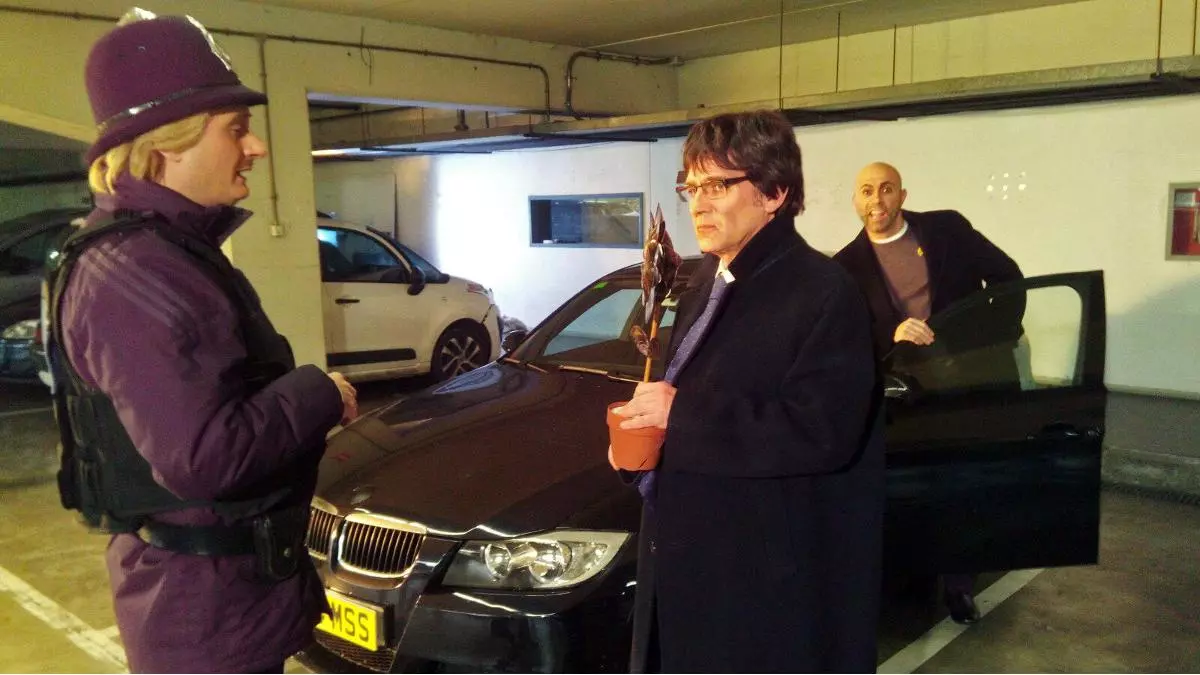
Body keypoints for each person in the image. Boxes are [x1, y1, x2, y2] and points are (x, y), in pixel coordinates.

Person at [46, 10, 357, 673]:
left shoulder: (161, 255)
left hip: (222, 598)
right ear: (168, 145)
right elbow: (206, 456)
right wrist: (319, 393)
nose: (256, 146)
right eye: (236, 129)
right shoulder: (138, 274)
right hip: (203, 618)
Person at [610, 111, 885, 672]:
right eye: (691, 187)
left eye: (717, 185)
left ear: (774, 192)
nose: (698, 204)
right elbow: (688, 404)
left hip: (760, 584)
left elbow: (822, 432)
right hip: (692, 559)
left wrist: (681, 415)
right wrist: (640, 453)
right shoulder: (705, 282)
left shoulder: (823, 292)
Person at [833, 161, 1024, 624]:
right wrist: (892, 335)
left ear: (902, 195)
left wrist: (985, 336)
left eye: (886, 189)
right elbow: (846, 335)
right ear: (855, 200)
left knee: (964, 484)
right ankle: (909, 578)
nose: (876, 200)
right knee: (911, 488)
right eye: (866, 191)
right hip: (902, 395)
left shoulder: (947, 230)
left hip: (963, 382)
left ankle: (959, 586)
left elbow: (1009, 277)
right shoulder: (845, 266)